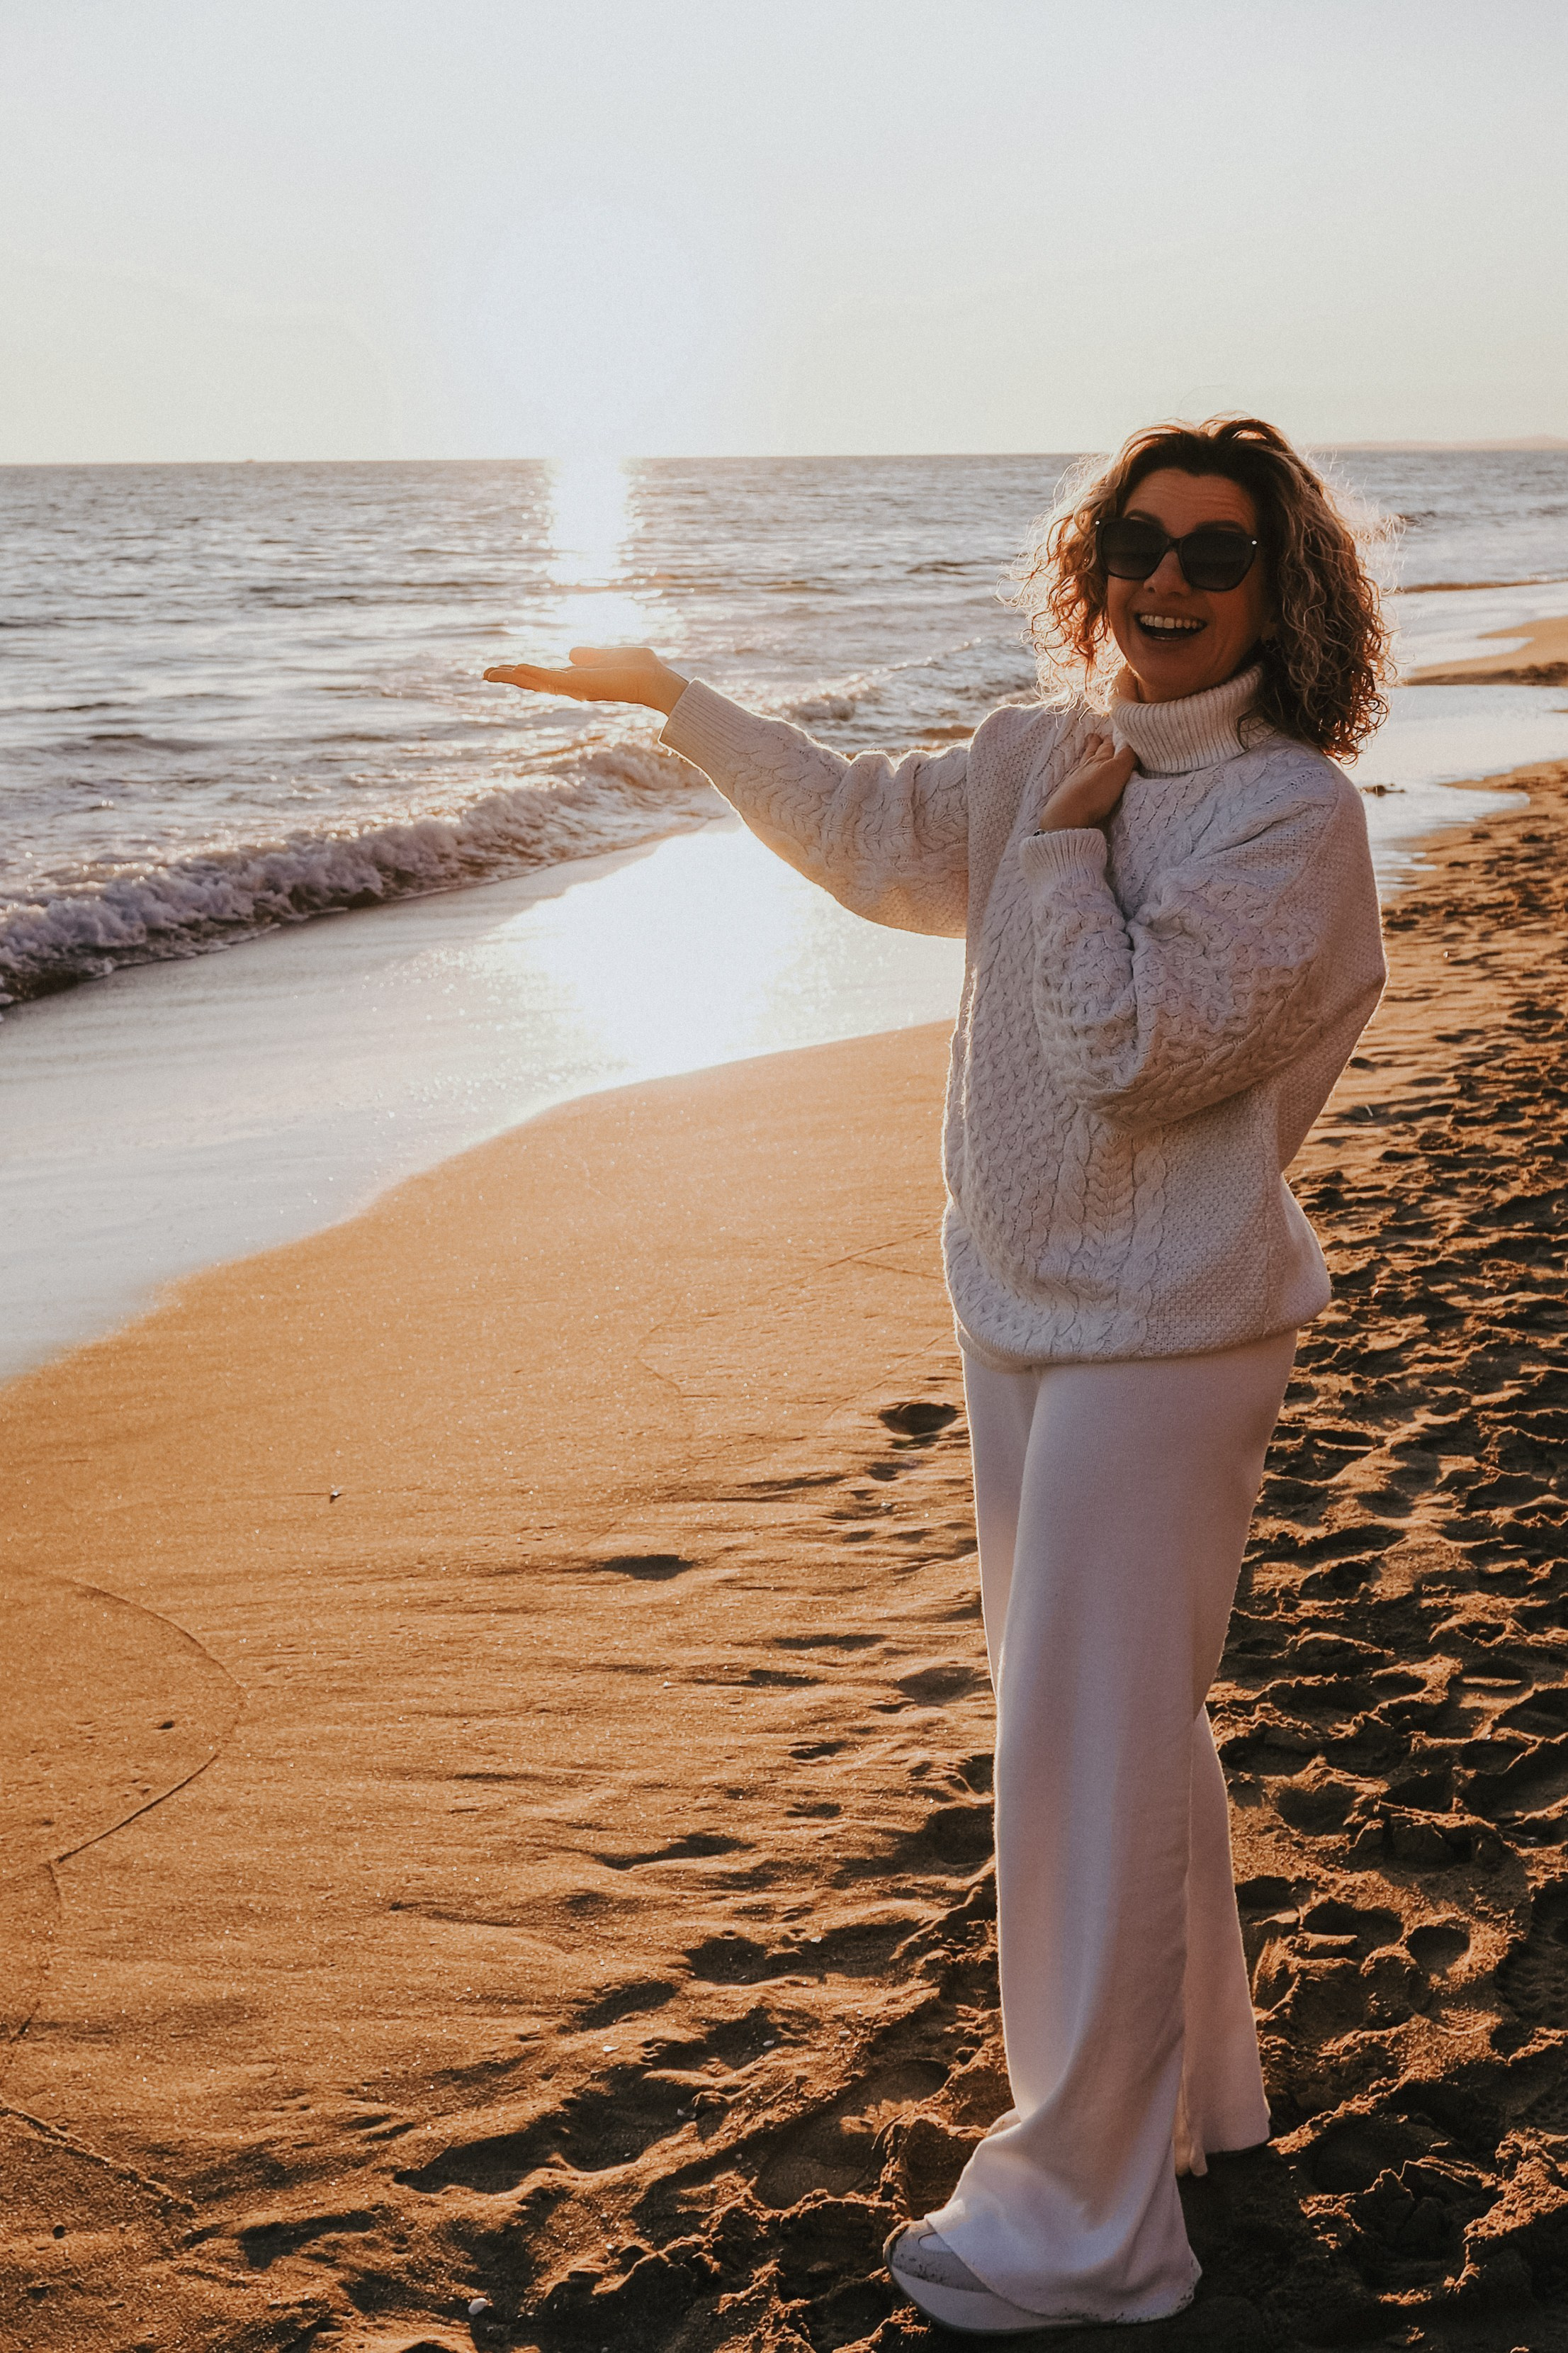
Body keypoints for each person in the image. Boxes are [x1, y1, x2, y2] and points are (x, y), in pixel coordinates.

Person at [485, 416, 1391, 2334]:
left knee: (1085, 1745)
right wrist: (678, 696)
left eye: (1214, 554)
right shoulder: (1026, 752)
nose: (1165, 578)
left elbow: (1135, 1052)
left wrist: (1057, 854)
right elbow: (861, 838)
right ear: (1097, 559)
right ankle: (1201, 2105)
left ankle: (1091, 2221)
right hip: (1018, 1308)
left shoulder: (1293, 818)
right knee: (1117, 1729)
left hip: (1177, 1336)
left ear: (1279, 587)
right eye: (1138, 540)